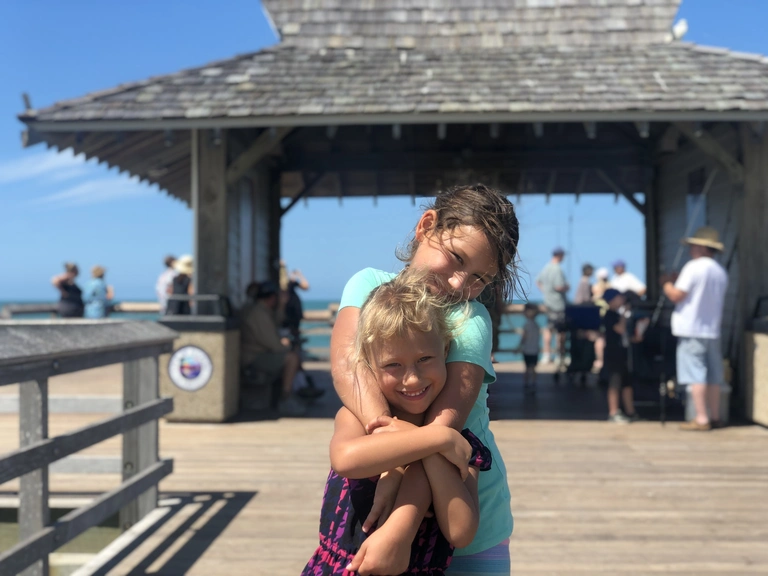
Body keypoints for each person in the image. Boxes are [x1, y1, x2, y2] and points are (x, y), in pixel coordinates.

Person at [331, 184, 518, 575]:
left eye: (479, 279)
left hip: (463, 511)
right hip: (374, 518)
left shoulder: (471, 317)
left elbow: (441, 426)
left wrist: (400, 524)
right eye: (456, 258)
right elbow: (348, 367)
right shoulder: (367, 285)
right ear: (426, 224)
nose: (459, 285)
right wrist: (395, 447)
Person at [303, 270, 492, 575]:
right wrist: (437, 440)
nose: (413, 378)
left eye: (425, 359)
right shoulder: (357, 418)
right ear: (368, 363)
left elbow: (461, 530)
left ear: (445, 350)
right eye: (393, 365)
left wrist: (431, 445)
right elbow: (346, 459)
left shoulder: (462, 442)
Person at [662, 226, 728, 431]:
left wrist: (666, 284)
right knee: (714, 377)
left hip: (691, 329)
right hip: (712, 330)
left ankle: (701, 418)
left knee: (695, 376)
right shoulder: (720, 271)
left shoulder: (693, 267)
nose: (690, 248)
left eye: (693, 245)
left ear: (701, 247)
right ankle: (715, 416)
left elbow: (676, 295)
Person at [240, 280, 305, 417]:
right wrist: (285, 347)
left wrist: (281, 306)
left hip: (257, 353)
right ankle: (286, 398)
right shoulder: (258, 314)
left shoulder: (260, 310)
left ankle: (301, 388)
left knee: (293, 355)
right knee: (292, 359)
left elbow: (275, 323)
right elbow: (273, 344)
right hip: (253, 357)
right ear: (271, 297)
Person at [601, 289, 639, 424]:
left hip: (623, 352)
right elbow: (620, 329)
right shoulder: (610, 315)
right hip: (613, 353)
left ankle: (630, 411)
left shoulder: (617, 314)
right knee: (614, 383)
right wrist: (624, 314)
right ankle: (613, 412)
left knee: (627, 383)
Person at [536, 247, 569, 365]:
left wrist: (545, 292)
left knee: (548, 329)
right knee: (560, 331)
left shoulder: (546, 267)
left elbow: (537, 281)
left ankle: (546, 355)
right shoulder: (557, 269)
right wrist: (567, 287)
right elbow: (558, 286)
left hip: (548, 302)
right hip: (558, 304)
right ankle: (559, 356)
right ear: (560, 255)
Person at [516, 303, 541, 395]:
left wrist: (518, 348)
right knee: (533, 368)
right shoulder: (536, 325)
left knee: (527, 368)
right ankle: (533, 384)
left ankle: (526, 384)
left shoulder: (527, 324)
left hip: (527, 350)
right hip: (534, 350)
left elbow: (524, 338)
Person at [477, 282, 504, 363]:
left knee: (492, 332)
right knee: (492, 332)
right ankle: (489, 355)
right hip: (488, 306)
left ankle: (489, 355)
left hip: (488, 307)